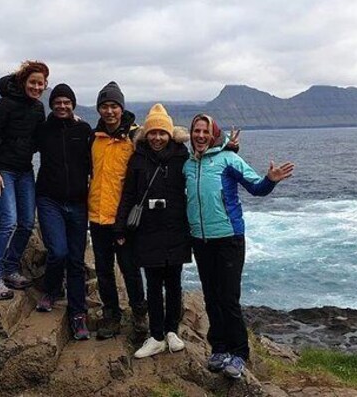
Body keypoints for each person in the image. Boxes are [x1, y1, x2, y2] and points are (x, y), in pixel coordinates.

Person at [184, 114, 294, 379]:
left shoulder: (229, 160)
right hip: (200, 240)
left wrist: (271, 179)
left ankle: (240, 353)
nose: (200, 135)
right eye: (196, 131)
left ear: (213, 135)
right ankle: (219, 349)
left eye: (205, 131)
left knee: (229, 297)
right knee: (211, 297)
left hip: (229, 238)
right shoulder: (187, 164)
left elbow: (256, 188)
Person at [115, 104, 191, 358]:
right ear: (146, 134)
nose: (157, 138)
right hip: (147, 230)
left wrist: (231, 147)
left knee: (174, 283)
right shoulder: (137, 158)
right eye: (153, 133)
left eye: (162, 133)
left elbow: (207, 162)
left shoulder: (182, 156)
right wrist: (121, 227)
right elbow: (128, 194)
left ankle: (172, 332)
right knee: (154, 284)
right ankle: (156, 335)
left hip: (175, 228)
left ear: (170, 134)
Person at [0, 60, 48, 300]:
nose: (37, 87)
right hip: (3, 172)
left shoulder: (38, 109)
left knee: (27, 222)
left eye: (41, 83)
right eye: (33, 82)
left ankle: (9, 269)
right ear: (23, 81)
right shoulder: (4, 104)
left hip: (25, 171)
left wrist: (70, 121)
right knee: (8, 221)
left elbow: (41, 138)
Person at [88, 81, 148, 339]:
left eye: (114, 106)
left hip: (122, 218)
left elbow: (166, 148)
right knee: (103, 270)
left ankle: (139, 315)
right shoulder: (94, 138)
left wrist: (227, 147)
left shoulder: (135, 138)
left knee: (130, 269)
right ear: (99, 109)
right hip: (97, 215)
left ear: (121, 109)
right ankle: (111, 314)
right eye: (104, 106)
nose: (109, 111)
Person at [34, 83, 92, 340]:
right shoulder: (43, 130)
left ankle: (78, 315)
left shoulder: (84, 130)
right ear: (52, 105)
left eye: (67, 102)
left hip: (79, 202)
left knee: (76, 261)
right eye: (57, 101)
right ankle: (52, 289)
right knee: (58, 251)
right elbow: (19, 146)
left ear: (73, 105)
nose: (62, 105)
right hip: (49, 200)